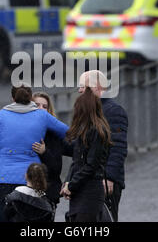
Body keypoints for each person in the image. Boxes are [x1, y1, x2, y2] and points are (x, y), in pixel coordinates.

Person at [0, 84, 68, 222]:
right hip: (31, 180)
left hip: (2, 178)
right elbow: (67, 132)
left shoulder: (0, 115)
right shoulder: (42, 116)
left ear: (12, 98)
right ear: (30, 99)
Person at [77, 70, 128, 222]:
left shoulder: (113, 112)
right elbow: (78, 149)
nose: (79, 90)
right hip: (86, 179)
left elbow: (118, 147)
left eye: (82, 86)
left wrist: (110, 178)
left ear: (97, 87)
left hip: (104, 181)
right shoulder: (85, 112)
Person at [60, 88, 112, 222]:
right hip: (81, 191)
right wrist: (68, 182)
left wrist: (71, 185)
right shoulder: (86, 131)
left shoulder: (96, 132)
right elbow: (77, 161)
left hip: (89, 192)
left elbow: (91, 165)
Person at [31, 92, 63, 212]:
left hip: (47, 192)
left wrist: (44, 152)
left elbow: (56, 168)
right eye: (37, 105)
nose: (41, 109)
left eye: (45, 107)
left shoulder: (53, 133)